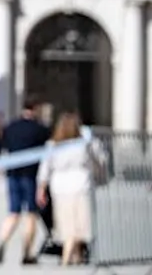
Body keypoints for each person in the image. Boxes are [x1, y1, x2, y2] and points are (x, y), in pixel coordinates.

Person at [0, 96, 50, 265]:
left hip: (12, 174)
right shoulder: (40, 129)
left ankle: (3, 240)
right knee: (31, 215)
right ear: (36, 109)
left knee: (13, 213)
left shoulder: (10, 127)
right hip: (31, 176)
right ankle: (27, 252)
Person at [38, 110, 100, 265]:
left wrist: (41, 188)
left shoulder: (53, 145)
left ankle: (76, 256)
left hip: (60, 187)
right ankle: (67, 258)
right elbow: (96, 162)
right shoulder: (84, 144)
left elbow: (45, 168)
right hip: (81, 185)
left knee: (66, 224)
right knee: (79, 225)